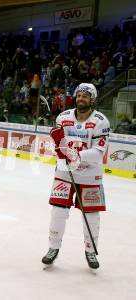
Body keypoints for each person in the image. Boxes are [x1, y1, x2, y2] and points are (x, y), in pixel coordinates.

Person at [42, 83, 110, 270]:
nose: (81, 98)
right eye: (79, 95)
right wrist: (59, 147)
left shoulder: (100, 121)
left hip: (90, 175)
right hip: (64, 172)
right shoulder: (63, 117)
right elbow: (58, 145)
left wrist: (75, 156)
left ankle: (90, 250)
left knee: (91, 216)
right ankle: (53, 248)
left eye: (85, 96)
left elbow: (98, 153)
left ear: (92, 99)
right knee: (58, 211)